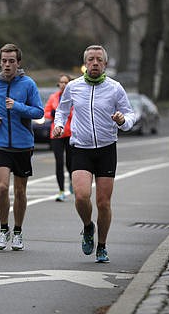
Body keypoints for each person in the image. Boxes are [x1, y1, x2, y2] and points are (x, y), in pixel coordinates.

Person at [53, 45, 137, 263]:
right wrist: (59, 125)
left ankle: (102, 245)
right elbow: (62, 111)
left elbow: (130, 115)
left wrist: (122, 121)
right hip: (80, 147)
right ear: (85, 64)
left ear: (105, 64)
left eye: (99, 60)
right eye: (91, 59)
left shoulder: (115, 88)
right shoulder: (73, 87)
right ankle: (88, 226)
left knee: (103, 203)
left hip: (106, 149)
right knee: (81, 196)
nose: (95, 63)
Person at [0, 43, 44, 251]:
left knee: (20, 191)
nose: (7, 65)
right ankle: (3, 228)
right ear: (0, 62)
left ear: (18, 63)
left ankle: (17, 231)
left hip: (23, 144)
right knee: (1, 188)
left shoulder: (28, 84)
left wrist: (16, 106)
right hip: (0, 143)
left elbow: (38, 112)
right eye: (4, 61)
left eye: (11, 61)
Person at [44, 74, 73, 202]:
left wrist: (64, 113)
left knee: (70, 162)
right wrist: (52, 113)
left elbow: (76, 113)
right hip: (56, 134)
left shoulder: (74, 96)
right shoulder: (53, 97)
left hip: (71, 133)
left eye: (66, 82)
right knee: (59, 162)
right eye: (61, 82)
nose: (63, 85)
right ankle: (61, 190)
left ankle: (73, 181)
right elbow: (45, 112)